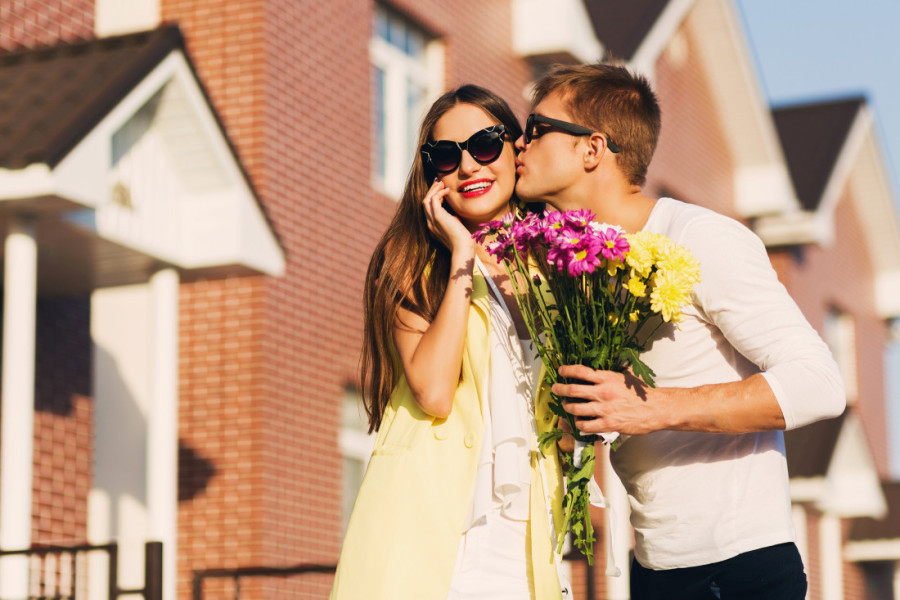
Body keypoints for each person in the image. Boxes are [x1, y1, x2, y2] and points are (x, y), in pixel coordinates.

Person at [513, 63, 845, 600]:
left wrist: (651, 407)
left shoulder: (701, 238)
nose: (519, 145)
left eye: (536, 129)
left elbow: (820, 384)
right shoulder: (579, 271)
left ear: (592, 149)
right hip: (652, 570)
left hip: (738, 571)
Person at [330, 85, 570, 600]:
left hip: (529, 542)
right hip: (440, 546)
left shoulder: (561, 264)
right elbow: (435, 392)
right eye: (446, 155)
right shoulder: (412, 265)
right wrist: (462, 251)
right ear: (432, 173)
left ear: (515, 148)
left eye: (484, 144)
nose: (467, 166)